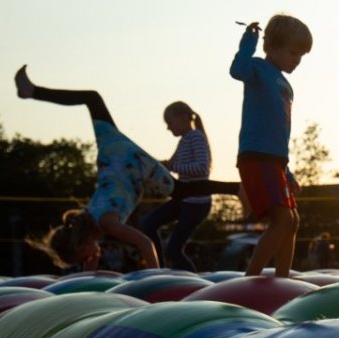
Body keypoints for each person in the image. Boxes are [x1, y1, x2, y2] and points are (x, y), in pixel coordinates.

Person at [16, 66, 242, 270]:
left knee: (181, 191)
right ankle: (32, 91)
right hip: (112, 152)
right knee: (92, 99)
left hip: (131, 164)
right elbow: (88, 274)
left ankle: (237, 189)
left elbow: (144, 243)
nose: (86, 260)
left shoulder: (107, 223)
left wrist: (157, 277)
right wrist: (90, 262)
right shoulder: (90, 219)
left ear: (81, 244)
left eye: (81, 259)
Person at [230, 14, 312, 277]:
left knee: (292, 222)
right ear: (272, 47)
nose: (297, 60)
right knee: (282, 219)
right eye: (293, 53)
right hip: (256, 155)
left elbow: (280, 133)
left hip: (275, 160)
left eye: (301, 56)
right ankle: (251, 276)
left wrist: (287, 173)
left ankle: (283, 279)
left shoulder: (285, 84)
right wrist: (249, 41)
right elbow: (237, 71)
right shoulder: (256, 68)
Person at [138, 101, 215, 272]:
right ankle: (157, 269)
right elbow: (170, 164)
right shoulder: (184, 140)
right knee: (147, 223)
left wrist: (172, 167)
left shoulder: (196, 137)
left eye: (170, 123)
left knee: (173, 249)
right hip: (184, 199)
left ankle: (193, 283)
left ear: (183, 118)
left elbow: (202, 168)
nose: (168, 128)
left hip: (197, 202)